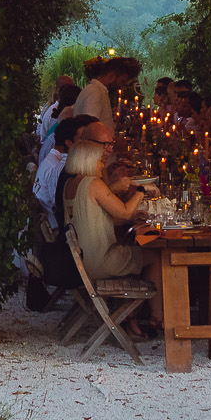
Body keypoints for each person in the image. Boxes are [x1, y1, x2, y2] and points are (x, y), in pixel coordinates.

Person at [62, 125, 162, 333]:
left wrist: (134, 216)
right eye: (99, 160)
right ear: (88, 160)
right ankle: (158, 319)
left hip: (83, 262)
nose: (102, 165)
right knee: (156, 256)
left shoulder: (72, 184)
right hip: (101, 262)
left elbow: (101, 219)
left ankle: (131, 316)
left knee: (133, 245)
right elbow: (124, 212)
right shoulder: (92, 184)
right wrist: (142, 190)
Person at [34, 115, 96, 233]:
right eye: (83, 139)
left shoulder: (52, 160)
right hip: (57, 229)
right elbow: (64, 209)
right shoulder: (61, 168)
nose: (88, 143)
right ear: (69, 143)